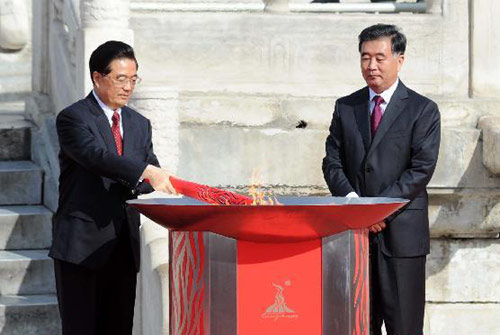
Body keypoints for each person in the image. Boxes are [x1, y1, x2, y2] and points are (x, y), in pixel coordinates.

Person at [49, 40, 176, 335]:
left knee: (118, 327)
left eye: (133, 79)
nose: (128, 87)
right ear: (97, 77)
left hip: (122, 246)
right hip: (81, 246)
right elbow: (95, 157)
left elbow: (148, 173)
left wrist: (150, 179)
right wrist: (144, 171)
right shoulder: (73, 117)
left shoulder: (139, 123)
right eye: (120, 79)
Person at [322, 24, 440, 335]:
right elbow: (332, 162)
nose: (371, 66)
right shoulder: (346, 107)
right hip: (354, 237)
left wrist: (378, 209)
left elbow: (421, 169)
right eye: (364, 57)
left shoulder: (422, 110)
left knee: (405, 326)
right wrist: (355, 206)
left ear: (399, 60)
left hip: (401, 238)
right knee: (358, 325)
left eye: (379, 57)